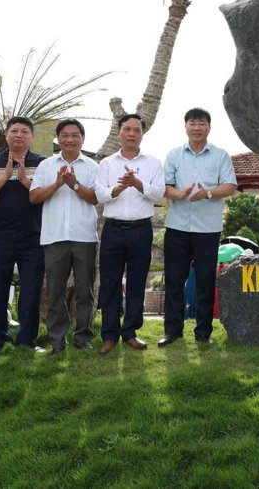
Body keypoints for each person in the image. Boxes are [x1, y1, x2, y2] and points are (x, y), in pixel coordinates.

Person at [159, 107, 237, 347]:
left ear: (208, 127)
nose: (196, 127)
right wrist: (180, 194)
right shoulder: (173, 155)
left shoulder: (220, 155)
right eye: (192, 123)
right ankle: (173, 331)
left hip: (207, 229)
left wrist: (208, 194)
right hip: (177, 228)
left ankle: (203, 333)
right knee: (174, 280)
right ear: (186, 127)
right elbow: (166, 187)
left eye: (201, 123)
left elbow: (230, 186)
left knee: (205, 281)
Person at [93, 113, 165, 354]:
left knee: (136, 283)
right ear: (119, 132)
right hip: (112, 229)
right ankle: (109, 335)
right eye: (127, 129)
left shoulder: (153, 163)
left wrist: (138, 184)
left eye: (137, 130)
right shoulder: (106, 164)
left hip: (141, 230)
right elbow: (100, 195)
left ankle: (131, 332)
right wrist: (119, 187)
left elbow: (158, 193)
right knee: (110, 283)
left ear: (142, 134)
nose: (132, 133)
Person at [0, 116, 47, 353]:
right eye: (14, 131)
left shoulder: (44, 163)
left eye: (24, 131)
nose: (19, 135)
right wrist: (5, 177)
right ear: (6, 136)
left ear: (31, 136)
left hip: (34, 237)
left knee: (31, 291)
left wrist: (25, 181)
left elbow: (46, 195)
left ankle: (27, 341)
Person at [29, 119, 99, 356]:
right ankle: (57, 341)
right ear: (58, 139)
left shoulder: (92, 166)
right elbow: (35, 197)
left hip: (84, 236)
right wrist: (58, 183)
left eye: (75, 135)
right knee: (55, 291)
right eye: (65, 135)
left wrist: (75, 184)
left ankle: (83, 337)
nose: (70, 139)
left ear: (83, 138)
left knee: (85, 291)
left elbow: (96, 198)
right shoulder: (46, 165)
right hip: (54, 236)